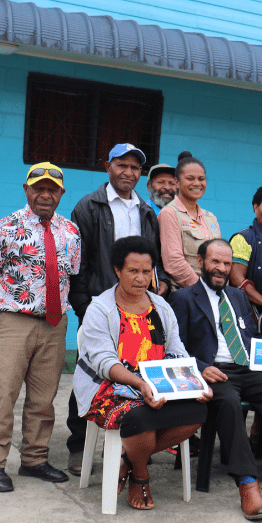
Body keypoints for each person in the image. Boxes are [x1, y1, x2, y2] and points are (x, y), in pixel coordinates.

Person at [169, 239, 262, 519]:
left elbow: (251, 339)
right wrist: (199, 367)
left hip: (246, 368)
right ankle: (247, 483)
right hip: (213, 372)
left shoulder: (237, 296)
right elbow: (173, 347)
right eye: (215, 262)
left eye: (226, 263)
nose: (221, 269)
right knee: (230, 404)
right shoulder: (183, 298)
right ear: (200, 263)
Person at [72, 236, 208, 509]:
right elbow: (104, 362)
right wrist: (140, 384)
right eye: (133, 271)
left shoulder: (161, 306)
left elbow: (176, 349)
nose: (141, 278)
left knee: (199, 410)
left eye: (147, 271)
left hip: (157, 382)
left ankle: (127, 460)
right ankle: (141, 476)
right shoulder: (100, 309)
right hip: (108, 384)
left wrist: (195, 382)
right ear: (117, 270)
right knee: (139, 415)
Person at [0, 162, 81, 493]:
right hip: (12, 322)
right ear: (27, 190)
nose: (45, 194)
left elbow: (71, 278)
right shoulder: (4, 229)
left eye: (52, 189)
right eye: (38, 188)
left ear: (61, 194)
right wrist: (4, 315)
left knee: (43, 398)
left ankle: (34, 460)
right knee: (3, 394)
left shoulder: (71, 233)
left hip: (54, 324)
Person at [66, 143, 171, 475]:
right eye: (122, 165)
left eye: (135, 167)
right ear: (107, 167)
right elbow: (78, 261)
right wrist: (83, 303)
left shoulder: (146, 210)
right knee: (92, 369)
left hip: (139, 304)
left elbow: (154, 255)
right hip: (100, 304)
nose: (128, 172)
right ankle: (79, 444)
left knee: (139, 369)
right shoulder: (89, 206)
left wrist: (161, 281)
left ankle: (136, 441)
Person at [158, 153, 220, 289]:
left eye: (201, 179)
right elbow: (173, 262)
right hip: (185, 293)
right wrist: (202, 290)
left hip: (213, 291)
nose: (197, 183)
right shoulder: (170, 213)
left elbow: (220, 257)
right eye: (190, 178)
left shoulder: (211, 217)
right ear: (177, 182)